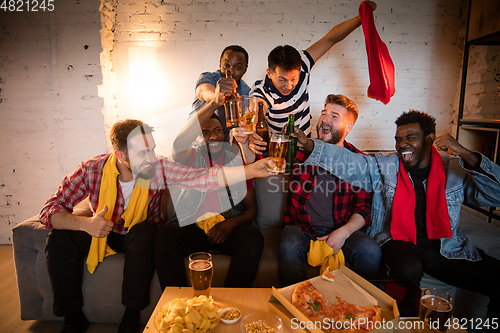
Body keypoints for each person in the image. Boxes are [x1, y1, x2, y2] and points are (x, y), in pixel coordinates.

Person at [39, 119, 273, 333]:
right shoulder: (91, 170)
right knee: (58, 237)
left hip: (138, 235)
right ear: (120, 156)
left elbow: (203, 178)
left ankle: (131, 318)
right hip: (101, 231)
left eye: (152, 149)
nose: (151, 158)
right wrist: (85, 224)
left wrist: (251, 169)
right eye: (142, 153)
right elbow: (50, 210)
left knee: (143, 232)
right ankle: (73, 318)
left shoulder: (158, 168)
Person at [297, 110, 500, 325]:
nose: (402, 144)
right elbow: (349, 161)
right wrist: (310, 145)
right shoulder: (386, 165)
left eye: (410, 137)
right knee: (406, 268)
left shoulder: (454, 170)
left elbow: (495, 194)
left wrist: (465, 153)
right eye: (399, 139)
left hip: (445, 247)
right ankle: (404, 315)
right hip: (400, 242)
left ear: (429, 140)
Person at [276, 94, 380, 287]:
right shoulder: (299, 151)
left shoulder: (359, 161)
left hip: (341, 230)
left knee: (370, 249)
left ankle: (360, 307)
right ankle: (296, 306)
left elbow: (363, 209)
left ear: (348, 127)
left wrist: (343, 232)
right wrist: (244, 141)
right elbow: (260, 160)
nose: (325, 119)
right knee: (288, 245)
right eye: (324, 113)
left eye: (334, 116)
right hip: (302, 229)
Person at [154, 110, 264, 289]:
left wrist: (232, 224)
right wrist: (213, 102)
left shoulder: (238, 163)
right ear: (196, 138)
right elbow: (179, 143)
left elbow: (252, 208)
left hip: (225, 229)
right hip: (193, 229)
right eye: (205, 132)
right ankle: (179, 301)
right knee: (164, 235)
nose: (213, 136)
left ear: (224, 133)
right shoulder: (189, 158)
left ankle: (231, 303)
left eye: (218, 130)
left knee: (253, 238)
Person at [249, 1, 377, 154]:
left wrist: (361, 18)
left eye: (293, 79)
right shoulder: (261, 92)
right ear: (269, 73)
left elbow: (330, 39)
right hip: (279, 154)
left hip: (306, 148)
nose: (289, 86)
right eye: (282, 80)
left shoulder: (303, 65)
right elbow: (256, 111)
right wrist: (250, 133)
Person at [190, 45, 250, 141]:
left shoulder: (246, 93)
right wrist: (218, 96)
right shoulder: (208, 78)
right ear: (220, 64)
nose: (231, 71)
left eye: (238, 67)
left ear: (245, 69)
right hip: (196, 145)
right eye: (226, 65)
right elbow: (202, 91)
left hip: (221, 148)